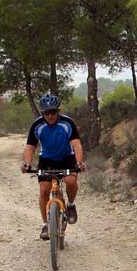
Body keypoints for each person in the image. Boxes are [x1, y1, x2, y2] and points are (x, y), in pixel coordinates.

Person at [20, 93, 85, 241]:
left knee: (70, 181)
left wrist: (79, 163)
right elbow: (30, 147)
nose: (50, 116)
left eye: (53, 112)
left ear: (58, 111)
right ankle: (45, 224)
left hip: (66, 158)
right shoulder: (37, 125)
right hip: (47, 159)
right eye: (47, 113)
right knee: (44, 189)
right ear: (42, 113)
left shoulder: (68, 123)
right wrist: (27, 163)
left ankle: (71, 204)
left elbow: (76, 144)